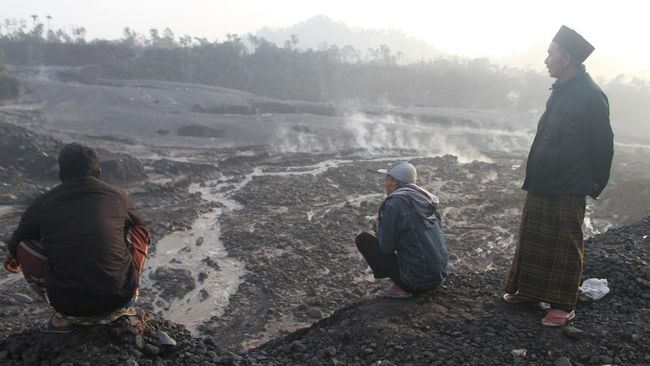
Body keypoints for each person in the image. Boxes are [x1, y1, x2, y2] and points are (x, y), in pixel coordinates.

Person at [503, 25, 614, 326]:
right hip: (544, 179)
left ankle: (563, 305)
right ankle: (528, 290)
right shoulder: (560, 91)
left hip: (569, 183)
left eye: (551, 53)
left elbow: (603, 146)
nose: (546, 59)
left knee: (565, 243)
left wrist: (593, 184)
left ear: (566, 58)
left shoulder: (591, 96)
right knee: (535, 235)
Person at [3, 143, 150, 333]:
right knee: (137, 231)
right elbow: (141, 228)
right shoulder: (119, 196)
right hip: (120, 299)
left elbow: (17, 240)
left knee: (24, 245)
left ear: (61, 175)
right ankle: (129, 294)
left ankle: (62, 317)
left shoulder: (43, 202)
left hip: (68, 306)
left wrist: (12, 256)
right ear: (98, 172)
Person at [356, 162, 448, 298]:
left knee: (364, 239)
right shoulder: (425, 199)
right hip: (439, 277)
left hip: (417, 282)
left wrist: (378, 229)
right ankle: (402, 281)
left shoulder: (394, 203)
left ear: (394, 182)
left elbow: (386, 247)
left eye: (387, 178)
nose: (385, 182)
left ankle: (401, 286)